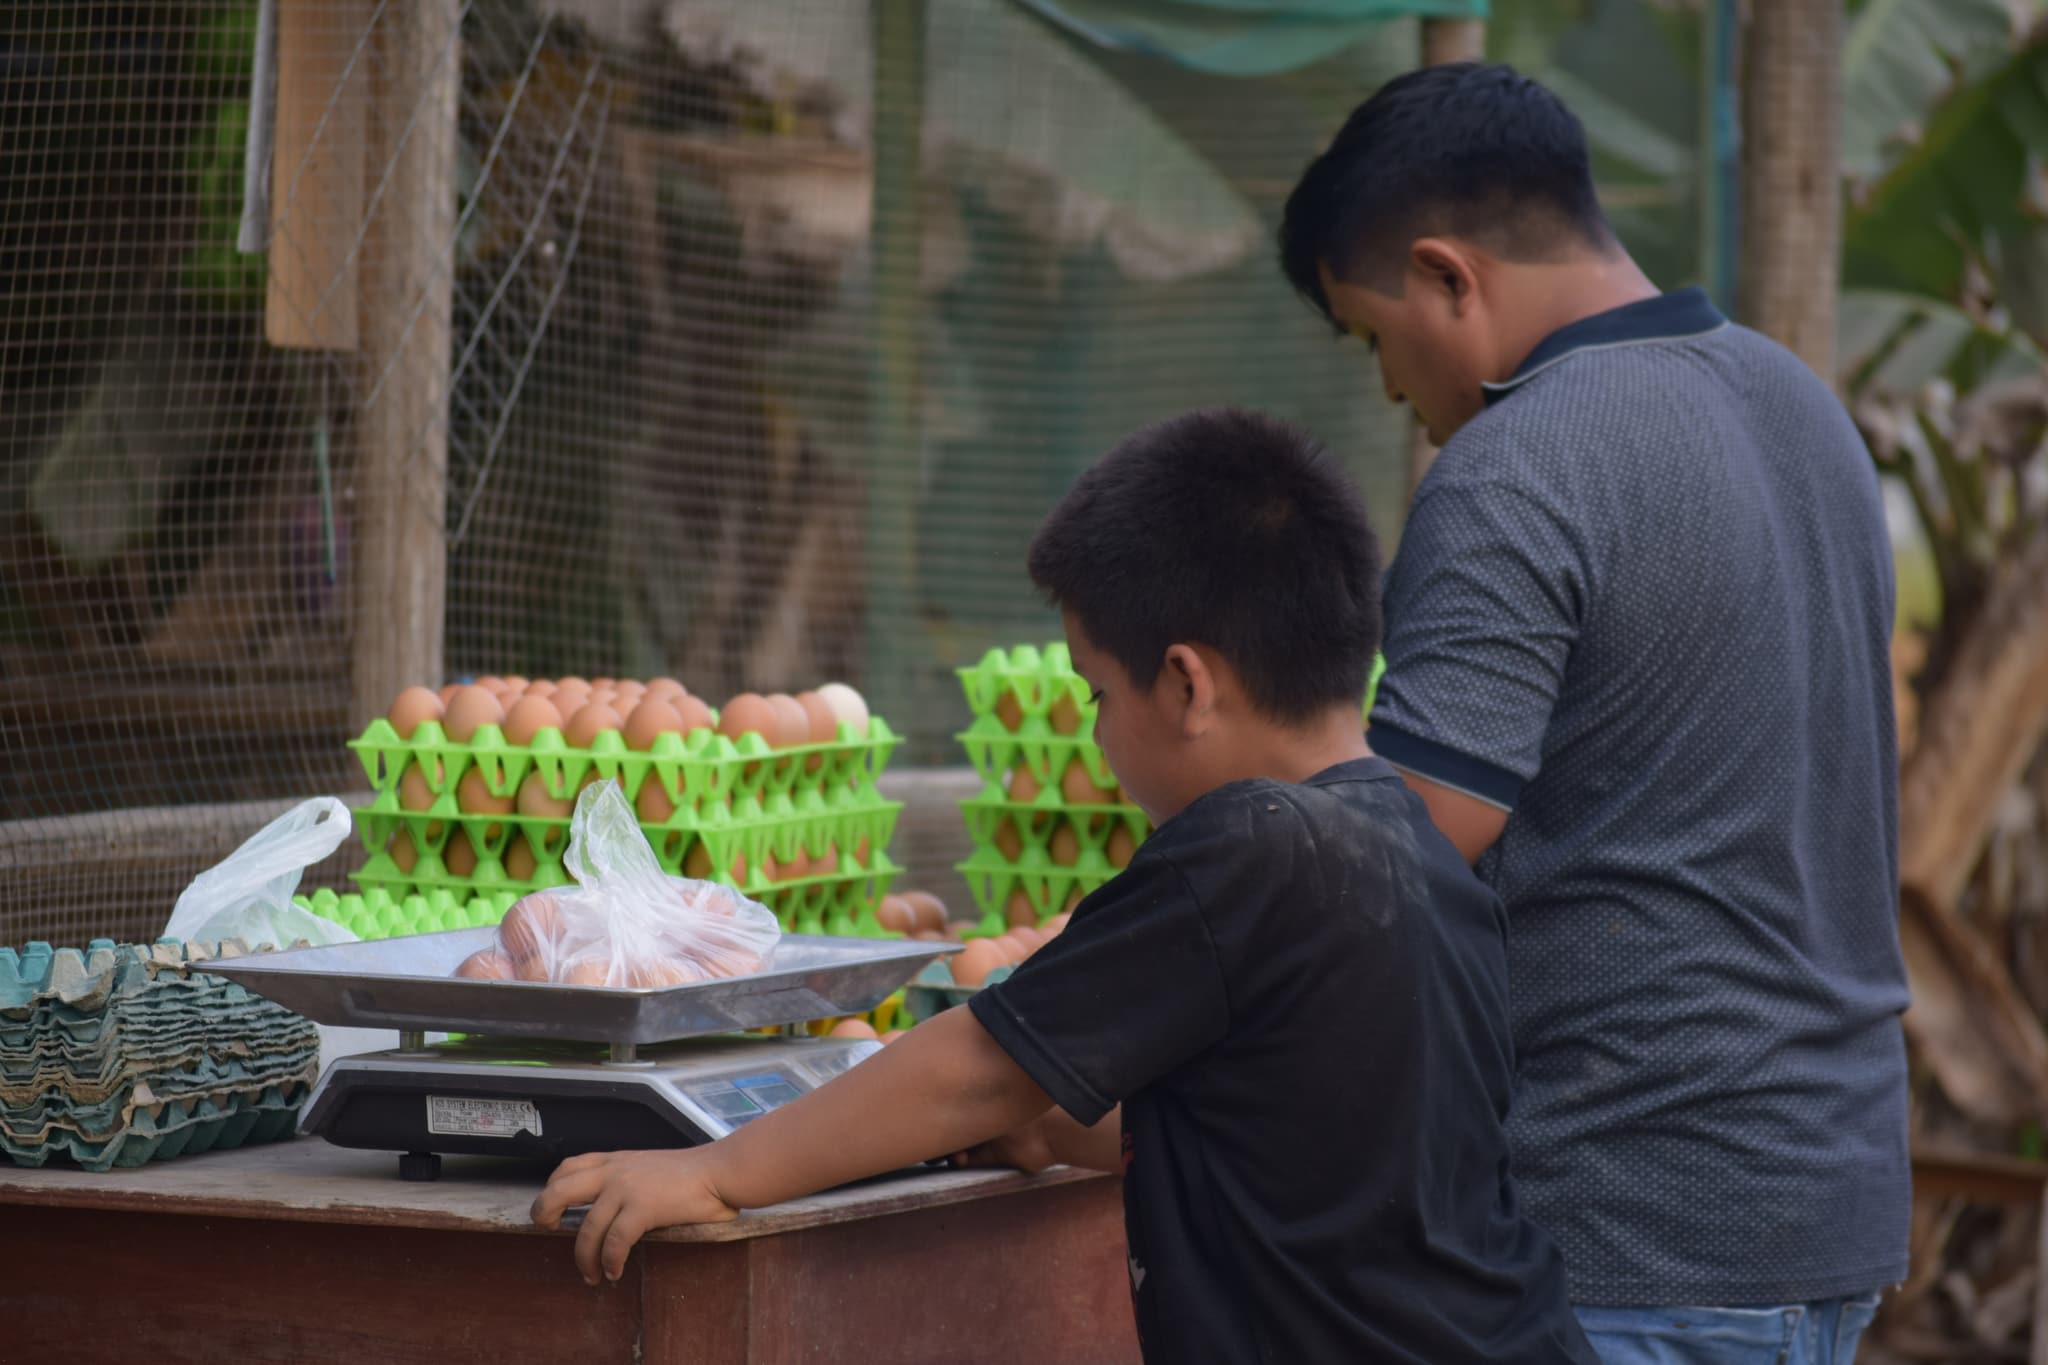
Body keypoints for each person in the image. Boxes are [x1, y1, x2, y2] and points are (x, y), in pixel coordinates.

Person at [534, 408, 1599, 1364]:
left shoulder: (1249, 842)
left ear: (1185, 682)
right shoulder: (1408, 845)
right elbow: (1286, 1144)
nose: (1093, 737)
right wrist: (1053, 1127)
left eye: (1094, 696)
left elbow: (979, 1067)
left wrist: (716, 1171)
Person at [1279, 62, 1909, 1363]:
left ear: (1449, 277)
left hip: (1637, 1230)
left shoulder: (1518, 465)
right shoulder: (1804, 408)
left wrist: (1143, 935)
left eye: (1376, 339)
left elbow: (1394, 863)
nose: (1395, 392)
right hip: (1828, 1199)